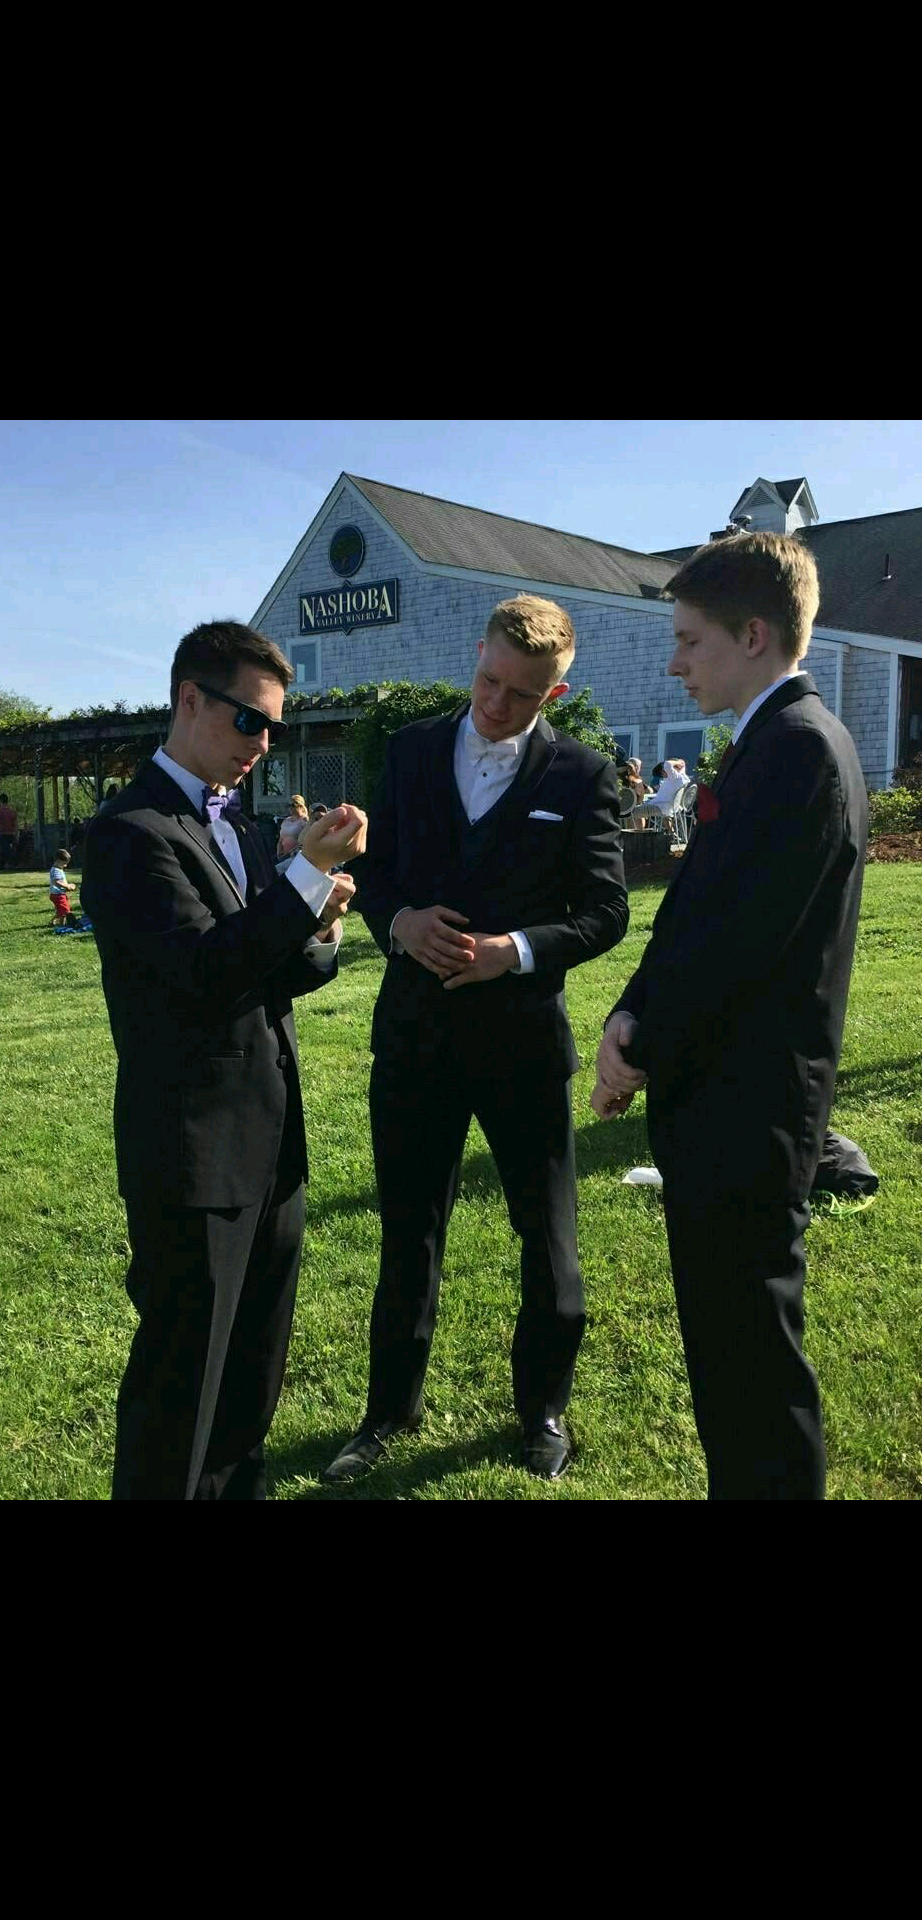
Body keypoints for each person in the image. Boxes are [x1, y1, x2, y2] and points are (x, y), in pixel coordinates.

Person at [322, 592, 628, 1486]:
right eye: (490, 681)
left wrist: (516, 951)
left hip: (521, 1046)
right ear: (478, 656)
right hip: (414, 1040)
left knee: (548, 1234)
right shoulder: (412, 750)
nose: (497, 704)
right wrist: (399, 921)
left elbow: (606, 911)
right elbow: (376, 873)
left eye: (522, 694)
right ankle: (388, 1412)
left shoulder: (581, 775)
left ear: (554, 695)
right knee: (408, 1233)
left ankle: (543, 1412)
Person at [591, 531, 867, 1501]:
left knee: (752, 1368)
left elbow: (741, 945)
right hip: (727, 1105)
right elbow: (692, 914)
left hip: (749, 1109)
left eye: (689, 640)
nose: (676, 662)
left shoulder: (799, 750)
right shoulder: (772, 744)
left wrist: (640, 1047)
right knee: (730, 1358)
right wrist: (629, 1010)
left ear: (753, 636)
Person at [82, 618, 367, 1500]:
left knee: (251, 1388)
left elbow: (268, 968)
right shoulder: (131, 832)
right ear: (189, 700)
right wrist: (303, 882)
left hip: (269, 1145)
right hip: (193, 1156)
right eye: (250, 720)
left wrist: (320, 924)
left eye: (274, 726)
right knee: (180, 1398)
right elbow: (202, 975)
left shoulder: (232, 826)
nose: (264, 742)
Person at [48, 849, 77, 926]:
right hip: (58, 895)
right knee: (65, 910)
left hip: (60, 894)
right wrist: (67, 886)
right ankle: (62, 924)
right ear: (58, 861)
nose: (65, 866)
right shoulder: (56, 870)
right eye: (64, 863)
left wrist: (69, 885)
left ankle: (53, 921)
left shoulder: (58, 869)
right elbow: (57, 882)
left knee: (61, 910)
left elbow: (60, 881)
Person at [0, 792, 18, 870]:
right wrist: (16, 834)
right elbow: (16, 824)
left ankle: (2, 865)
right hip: (11, 833)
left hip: (2, 833)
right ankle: (10, 864)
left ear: (0, 801)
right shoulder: (12, 811)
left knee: (2, 849)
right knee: (9, 849)